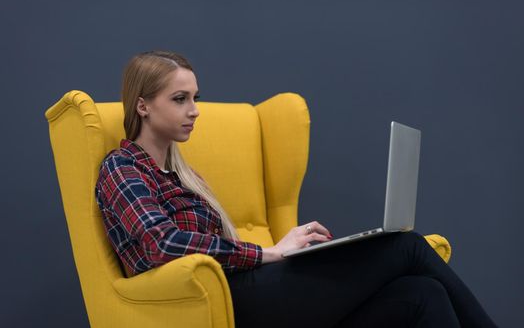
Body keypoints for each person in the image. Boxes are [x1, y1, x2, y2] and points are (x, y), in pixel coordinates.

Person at [95, 50, 497, 328]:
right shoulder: (122, 166)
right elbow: (159, 245)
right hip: (223, 304)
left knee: (422, 293)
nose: (195, 109)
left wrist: (286, 249)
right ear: (143, 106)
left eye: (195, 98)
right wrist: (269, 252)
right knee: (404, 246)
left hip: (254, 293)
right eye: (180, 99)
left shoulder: (184, 175)